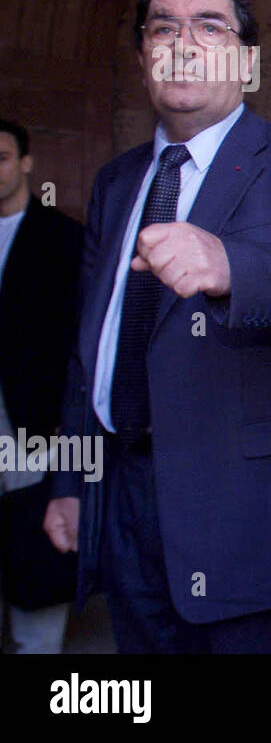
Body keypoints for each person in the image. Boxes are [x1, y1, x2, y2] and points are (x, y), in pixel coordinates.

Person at [42, 0, 271, 654]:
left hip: (251, 520)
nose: (182, 42)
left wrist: (234, 266)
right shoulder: (116, 182)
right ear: (143, 56)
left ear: (247, 60)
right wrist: (72, 480)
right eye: (162, 27)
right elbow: (91, 348)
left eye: (209, 26)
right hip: (126, 507)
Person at [0, 120, 82, 652]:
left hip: (32, 418)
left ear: (26, 162)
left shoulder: (63, 238)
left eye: (1, 157)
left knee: (34, 541)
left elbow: (82, 340)